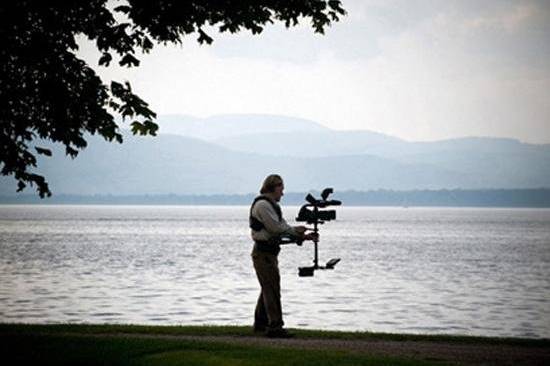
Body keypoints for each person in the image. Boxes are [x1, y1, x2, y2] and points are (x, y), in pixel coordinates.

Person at [249, 174, 317, 338]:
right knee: (272, 289)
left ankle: (260, 324)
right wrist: (296, 232)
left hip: (268, 253)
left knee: (268, 288)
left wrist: (302, 235)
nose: (282, 193)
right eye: (281, 189)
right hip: (263, 253)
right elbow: (275, 229)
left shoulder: (270, 206)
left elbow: (282, 227)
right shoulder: (263, 205)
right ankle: (275, 327)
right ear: (273, 187)